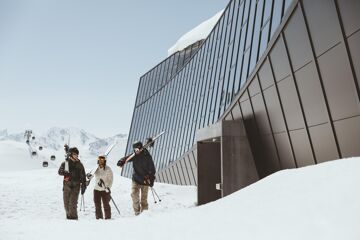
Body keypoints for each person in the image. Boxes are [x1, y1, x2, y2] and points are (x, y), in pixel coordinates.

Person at [117, 141, 156, 216]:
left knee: (144, 200)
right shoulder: (134, 155)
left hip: (145, 180)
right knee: (134, 194)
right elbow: (127, 158)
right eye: (134, 150)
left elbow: (152, 170)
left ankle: (145, 214)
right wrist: (121, 161)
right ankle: (137, 212)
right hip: (136, 179)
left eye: (137, 150)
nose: (136, 151)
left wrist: (151, 180)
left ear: (141, 148)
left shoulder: (147, 156)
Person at [58, 147, 87, 220]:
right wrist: (65, 172)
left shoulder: (80, 165)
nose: (76, 156)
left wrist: (84, 186)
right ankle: (69, 218)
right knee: (66, 204)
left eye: (77, 154)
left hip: (76, 186)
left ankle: (74, 219)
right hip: (67, 185)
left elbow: (83, 176)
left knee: (72, 204)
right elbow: (59, 171)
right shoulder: (65, 163)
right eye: (74, 154)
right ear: (70, 154)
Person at [92, 155, 113, 219]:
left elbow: (111, 180)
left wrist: (108, 187)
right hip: (96, 190)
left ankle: (108, 218)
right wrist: (88, 176)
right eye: (100, 159)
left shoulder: (108, 169)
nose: (101, 161)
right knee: (97, 205)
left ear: (105, 161)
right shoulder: (96, 168)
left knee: (106, 205)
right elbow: (90, 175)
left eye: (102, 159)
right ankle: (99, 219)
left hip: (105, 190)